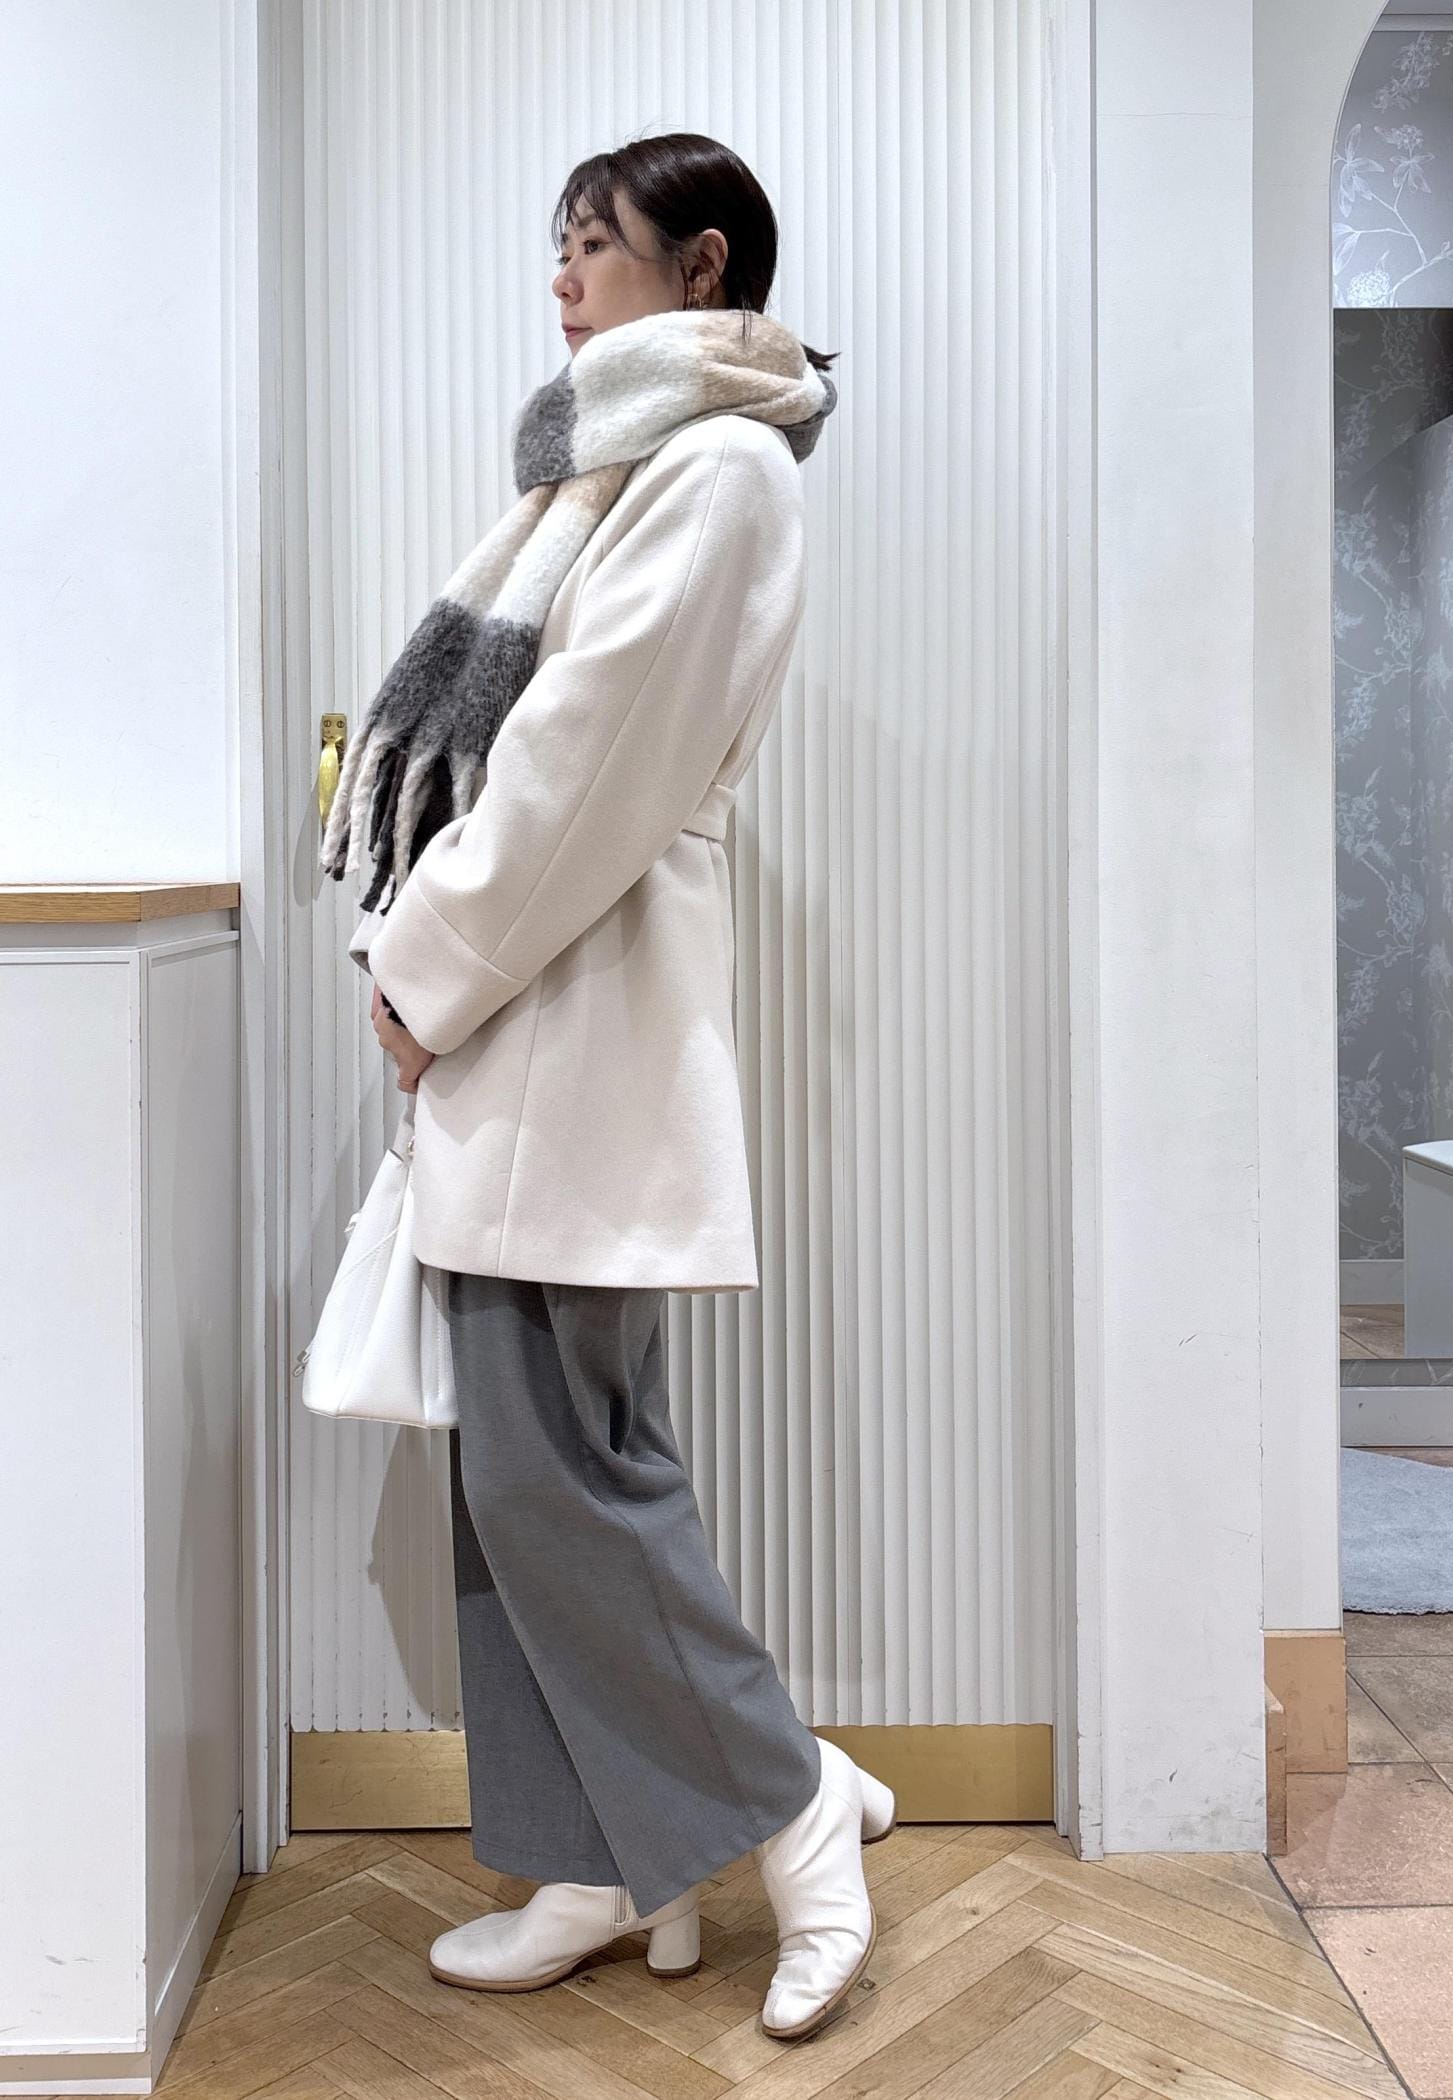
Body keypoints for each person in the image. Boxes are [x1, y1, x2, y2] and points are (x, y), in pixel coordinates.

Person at [340, 134, 893, 2044]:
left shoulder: (719, 470)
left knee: (564, 1480)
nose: (563, 278)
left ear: (704, 264)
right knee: (524, 1486)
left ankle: (794, 1808)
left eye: (597, 245)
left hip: (568, 1017)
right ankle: (598, 1863)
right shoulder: (614, 473)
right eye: (558, 245)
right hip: (534, 1021)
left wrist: (423, 972)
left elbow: (583, 768)